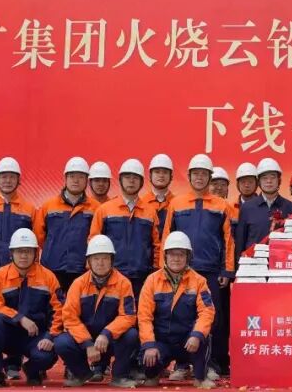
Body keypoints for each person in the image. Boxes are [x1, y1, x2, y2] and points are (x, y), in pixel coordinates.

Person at [162, 154, 236, 379]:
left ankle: (210, 364)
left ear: (209, 177)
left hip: (211, 271)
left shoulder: (221, 205)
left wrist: (226, 270)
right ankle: (182, 364)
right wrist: (163, 268)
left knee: (213, 318)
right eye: (196, 174)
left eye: (204, 174)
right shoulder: (176, 203)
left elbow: (228, 240)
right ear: (189, 176)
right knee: (181, 316)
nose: (199, 178)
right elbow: (166, 236)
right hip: (181, 271)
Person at [54, 235, 139, 388]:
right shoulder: (78, 284)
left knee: (131, 335)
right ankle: (82, 373)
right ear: (89, 261)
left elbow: (128, 316)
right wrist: (87, 343)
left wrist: (107, 333)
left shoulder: (123, 283)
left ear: (112, 260)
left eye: (105, 258)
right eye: (96, 258)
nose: (100, 263)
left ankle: (120, 376)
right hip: (85, 338)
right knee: (61, 342)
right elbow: (69, 318)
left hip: (111, 338)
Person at [0, 229, 61, 387]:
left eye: (28, 251)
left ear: (35, 253)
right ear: (11, 253)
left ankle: (32, 370)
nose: (23, 256)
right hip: (8, 334)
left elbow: (59, 311)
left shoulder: (48, 277)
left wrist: (49, 337)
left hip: (35, 335)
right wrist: (20, 318)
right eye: (19, 251)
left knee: (47, 355)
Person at [138, 232, 217, 389]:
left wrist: (196, 335)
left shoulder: (199, 281)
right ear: (165, 256)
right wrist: (149, 344)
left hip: (188, 341)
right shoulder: (152, 281)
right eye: (172, 254)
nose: (176, 258)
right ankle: (153, 374)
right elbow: (144, 316)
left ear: (188, 257)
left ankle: (200, 377)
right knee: (148, 360)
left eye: (181, 254)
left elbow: (207, 312)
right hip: (162, 341)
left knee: (204, 337)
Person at [89, 158, 161, 295]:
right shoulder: (104, 210)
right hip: (110, 278)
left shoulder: (150, 212)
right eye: (127, 177)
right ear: (120, 180)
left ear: (141, 182)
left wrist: (156, 271)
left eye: (135, 178)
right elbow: (93, 242)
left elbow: (157, 246)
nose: (131, 181)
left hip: (142, 278)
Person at [34, 157, 100, 291]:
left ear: (87, 180)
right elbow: (39, 237)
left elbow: (97, 237)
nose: (76, 180)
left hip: (82, 270)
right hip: (52, 269)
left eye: (80, 177)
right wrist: (54, 250)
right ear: (65, 178)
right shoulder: (48, 206)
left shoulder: (96, 208)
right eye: (72, 176)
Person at [234, 158, 292, 253]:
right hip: (253, 261)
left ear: (279, 180)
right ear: (259, 181)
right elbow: (240, 242)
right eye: (264, 178)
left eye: (273, 177)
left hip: (281, 260)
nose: (269, 181)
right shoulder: (247, 208)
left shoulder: (291, 208)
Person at [143, 154, 176, 236]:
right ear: (150, 176)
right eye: (157, 172)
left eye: (165, 172)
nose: (161, 175)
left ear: (171, 177)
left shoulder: (177, 204)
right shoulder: (141, 203)